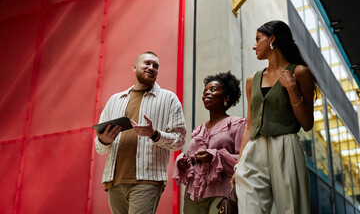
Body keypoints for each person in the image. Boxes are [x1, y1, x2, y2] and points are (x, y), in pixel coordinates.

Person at [232, 20, 315, 214]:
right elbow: (249, 125)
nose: (254, 45)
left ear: (272, 39)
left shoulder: (300, 72)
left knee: (291, 208)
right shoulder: (253, 79)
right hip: (254, 149)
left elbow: (307, 123)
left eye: (258, 39)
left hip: (285, 147)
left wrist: (293, 89)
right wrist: (238, 164)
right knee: (249, 207)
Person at [95, 51, 186, 214]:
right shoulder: (114, 100)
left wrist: (154, 134)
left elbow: (179, 140)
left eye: (155, 66)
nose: (151, 68)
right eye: (147, 63)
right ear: (134, 67)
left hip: (148, 180)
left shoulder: (168, 99)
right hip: (114, 181)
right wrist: (104, 141)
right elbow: (99, 147)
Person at [173, 71, 246, 214]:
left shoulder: (238, 124)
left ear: (226, 97)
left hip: (222, 191)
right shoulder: (198, 130)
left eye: (213, 90)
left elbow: (244, 161)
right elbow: (192, 159)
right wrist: (184, 162)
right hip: (194, 194)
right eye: (205, 91)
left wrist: (213, 156)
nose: (207, 93)